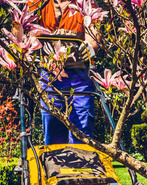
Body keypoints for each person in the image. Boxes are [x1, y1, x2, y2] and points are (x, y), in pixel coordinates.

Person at [28, 0, 101, 145]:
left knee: (82, 133)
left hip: (79, 76)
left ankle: (81, 166)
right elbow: (27, 34)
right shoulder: (37, 3)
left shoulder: (86, 3)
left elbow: (93, 34)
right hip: (49, 76)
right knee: (52, 130)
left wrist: (90, 46)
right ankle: (55, 167)